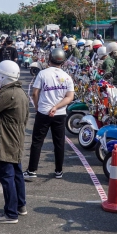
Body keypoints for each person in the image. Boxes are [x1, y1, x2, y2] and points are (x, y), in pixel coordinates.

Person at [0, 61, 29, 223]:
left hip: (6, 140)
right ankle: (20, 205)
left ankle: (11, 213)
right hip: (15, 138)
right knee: (16, 173)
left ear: (3, 76)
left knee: (7, 176)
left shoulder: (8, 93)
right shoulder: (20, 92)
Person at [25, 48, 74, 180]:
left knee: (37, 142)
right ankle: (59, 171)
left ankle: (32, 170)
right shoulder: (67, 77)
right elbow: (69, 97)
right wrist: (57, 106)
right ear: (63, 62)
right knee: (59, 143)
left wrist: (37, 106)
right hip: (60, 113)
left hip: (43, 112)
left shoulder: (43, 74)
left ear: (49, 59)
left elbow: (35, 93)